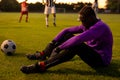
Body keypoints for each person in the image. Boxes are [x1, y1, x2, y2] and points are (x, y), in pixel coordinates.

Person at [20, 6, 113, 74]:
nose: (82, 23)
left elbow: (78, 38)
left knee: (77, 45)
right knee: (67, 35)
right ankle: (43, 54)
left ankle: (41, 66)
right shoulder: (88, 24)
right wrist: (52, 43)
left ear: (91, 18)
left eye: (83, 20)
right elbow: (66, 30)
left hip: (101, 61)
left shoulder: (100, 27)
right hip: (92, 54)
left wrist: (59, 48)